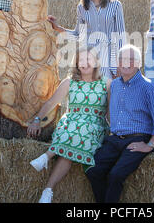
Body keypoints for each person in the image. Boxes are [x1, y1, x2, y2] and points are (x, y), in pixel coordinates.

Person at [85, 44, 154, 203]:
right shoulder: (115, 85)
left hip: (137, 139)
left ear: (139, 63)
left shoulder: (148, 87)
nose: (126, 63)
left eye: (131, 59)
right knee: (93, 170)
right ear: (117, 63)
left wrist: (149, 145)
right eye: (122, 59)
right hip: (115, 139)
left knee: (116, 175)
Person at [27, 48, 111, 203]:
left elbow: (110, 111)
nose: (85, 63)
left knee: (79, 131)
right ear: (76, 63)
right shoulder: (69, 82)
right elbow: (52, 102)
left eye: (89, 59)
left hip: (94, 126)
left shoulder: (105, 83)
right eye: (81, 60)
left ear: (96, 62)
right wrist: (37, 120)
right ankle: (48, 191)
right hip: (71, 124)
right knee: (70, 146)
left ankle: (47, 156)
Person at [48, 0, 126, 79]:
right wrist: (57, 28)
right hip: (88, 59)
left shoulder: (115, 5)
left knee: (108, 93)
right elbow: (79, 35)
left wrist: (120, 64)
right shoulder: (82, 7)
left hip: (109, 60)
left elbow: (120, 37)